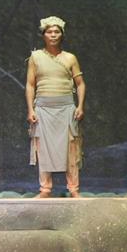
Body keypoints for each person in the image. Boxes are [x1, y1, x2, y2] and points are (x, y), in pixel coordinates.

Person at [26, 16, 85, 198]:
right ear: (43, 35)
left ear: (62, 34)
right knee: (43, 149)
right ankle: (45, 189)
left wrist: (80, 106)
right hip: (43, 108)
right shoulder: (36, 57)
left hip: (66, 107)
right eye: (49, 32)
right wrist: (30, 109)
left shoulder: (70, 58)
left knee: (71, 149)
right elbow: (30, 84)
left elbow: (80, 84)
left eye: (56, 32)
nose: (53, 35)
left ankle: (73, 189)